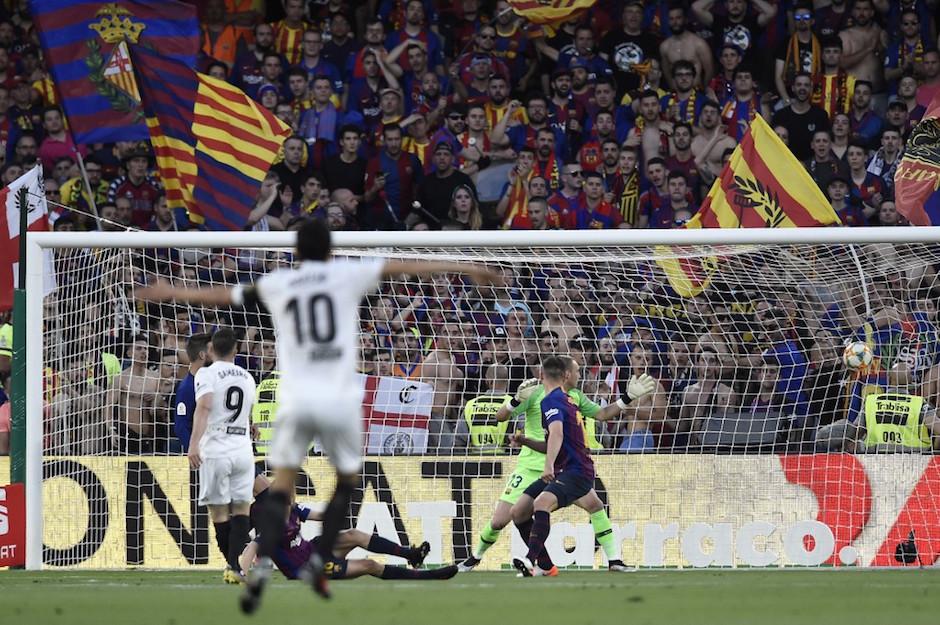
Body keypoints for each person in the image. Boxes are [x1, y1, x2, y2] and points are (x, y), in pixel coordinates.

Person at [137, 220, 498, 611]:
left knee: (282, 485)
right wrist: (467, 267)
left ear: (296, 252)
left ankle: (265, 573)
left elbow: (224, 294)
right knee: (346, 481)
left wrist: (172, 291)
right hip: (336, 395)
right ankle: (313, 561)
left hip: (297, 397)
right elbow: (403, 265)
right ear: (329, 251)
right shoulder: (344, 276)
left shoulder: (281, 282)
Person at [459, 356, 656, 574]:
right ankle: (475, 558)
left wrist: (627, 398)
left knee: (595, 505)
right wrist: (515, 400)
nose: (580, 375)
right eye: (577, 371)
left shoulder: (574, 396)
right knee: (500, 521)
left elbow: (601, 414)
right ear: (565, 374)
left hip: (560, 467)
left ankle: (613, 560)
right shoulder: (534, 393)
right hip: (531, 466)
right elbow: (500, 416)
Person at [240, 476, 456, 581]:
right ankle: (431, 576)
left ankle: (411, 555)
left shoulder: (295, 508)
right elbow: (253, 547)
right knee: (369, 565)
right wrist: (242, 571)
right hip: (306, 568)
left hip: (314, 549)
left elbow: (322, 516)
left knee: (353, 534)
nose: (293, 492)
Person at [189, 329, 256, 584]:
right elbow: (247, 414)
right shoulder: (248, 377)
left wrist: (194, 444)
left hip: (217, 447)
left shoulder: (206, 373)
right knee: (241, 510)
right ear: (236, 350)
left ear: (211, 349)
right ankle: (236, 568)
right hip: (243, 449)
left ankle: (233, 565)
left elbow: (205, 406)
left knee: (219, 514)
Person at [173, 333, 211, 453]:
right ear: (202, 355)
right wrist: (196, 452)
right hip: (204, 454)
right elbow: (181, 426)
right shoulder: (187, 388)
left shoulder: (212, 381)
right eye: (212, 350)